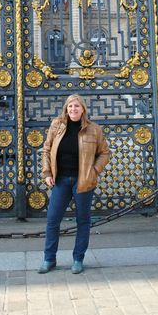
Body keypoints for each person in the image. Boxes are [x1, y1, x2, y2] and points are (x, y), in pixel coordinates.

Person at [38, 94, 110, 274]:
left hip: (83, 181)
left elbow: (105, 153)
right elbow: (46, 149)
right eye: (70, 107)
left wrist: (94, 171)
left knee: (83, 221)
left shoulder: (94, 130)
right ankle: (49, 259)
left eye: (76, 106)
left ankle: (78, 259)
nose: (73, 110)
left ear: (83, 109)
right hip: (61, 180)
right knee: (53, 220)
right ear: (66, 109)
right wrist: (47, 172)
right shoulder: (57, 125)